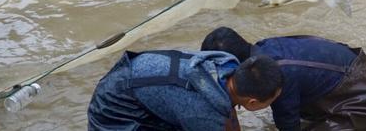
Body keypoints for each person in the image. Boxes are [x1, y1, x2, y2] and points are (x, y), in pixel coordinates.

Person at [201, 27, 366, 131]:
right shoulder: (265, 50)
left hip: (365, 101)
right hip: (355, 70)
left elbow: (287, 123)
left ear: (234, 65)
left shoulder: (277, 75)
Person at [87, 49, 283, 131]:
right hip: (114, 108)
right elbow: (217, 116)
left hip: (135, 77)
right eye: (271, 101)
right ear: (252, 103)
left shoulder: (225, 63)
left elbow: (225, 108)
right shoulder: (203, 113)